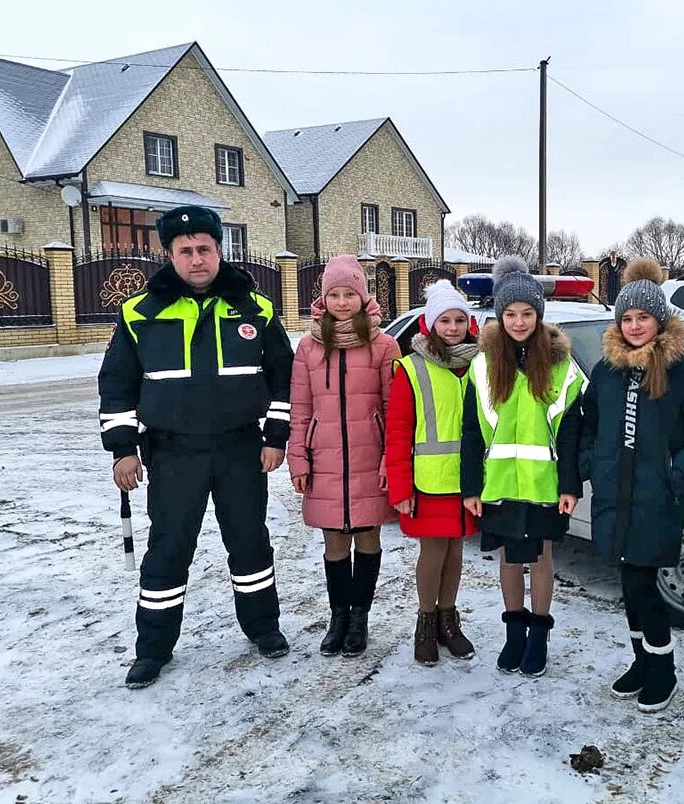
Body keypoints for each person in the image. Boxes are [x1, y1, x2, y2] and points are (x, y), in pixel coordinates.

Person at [98, 205, 293, 689]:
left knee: (250, 542)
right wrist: (123, 448)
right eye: (185, 251)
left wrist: (275, 438)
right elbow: (117, 386)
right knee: (168, 549)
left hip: (241, 450)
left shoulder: (256, 308)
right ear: (169, 254)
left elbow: (283, 381)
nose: (196, 258)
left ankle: (263, 627)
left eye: (204, 248)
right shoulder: (140, 312)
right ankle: (153, 649)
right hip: (172, 452)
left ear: (219, 250)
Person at [578, 258, 684, 713]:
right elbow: (587, 424)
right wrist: (590, 465)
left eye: (643, 317)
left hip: (656, 498)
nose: (635, 325)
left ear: (660, 320)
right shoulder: (606, 371)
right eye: (628, 318)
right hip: (613, 496)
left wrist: (676, 473)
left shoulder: (683, 373)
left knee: (642, 585)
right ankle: (643, 661)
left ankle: (663, 670)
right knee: (629, 583)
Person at [460, 256, 584, 677]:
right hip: (498, 484)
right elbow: (472, 432)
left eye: (527, 313)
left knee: (541, 557)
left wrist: (570, 485)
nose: (518, 321)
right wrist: (470, 488)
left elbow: (570, 432)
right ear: (499, 315)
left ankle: (538, 637)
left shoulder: (560, 367)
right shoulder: (481, 366)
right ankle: (514, 635)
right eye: (510, 313)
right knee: (511, 559)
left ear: (539, 315)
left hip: (544, 483)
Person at [288, 255, 400, 659]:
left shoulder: (385, 345)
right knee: (334, 543)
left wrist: (392, 460)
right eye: (333, 294)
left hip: (371, 460)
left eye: (348, 294)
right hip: (325, 462)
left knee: (368, 538)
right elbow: (299, 408)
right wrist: (298, 459)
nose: (341, 302)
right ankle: (338, 616)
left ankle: (360, 618)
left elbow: (396, 411)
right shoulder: (308, 347)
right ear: (322, 298)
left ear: (362, 296)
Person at [385, 280, 480, 665]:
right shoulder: (412, 368)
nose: (453, 327)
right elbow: (397, 432)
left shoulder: (478, 364)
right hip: (429, 481)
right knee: (434, 551)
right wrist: (400, 486)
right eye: (445, 320)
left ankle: (448, 621)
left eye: (459, 320)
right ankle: (426, 621)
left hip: (469, 480)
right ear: (429, 325)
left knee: (456, 550)